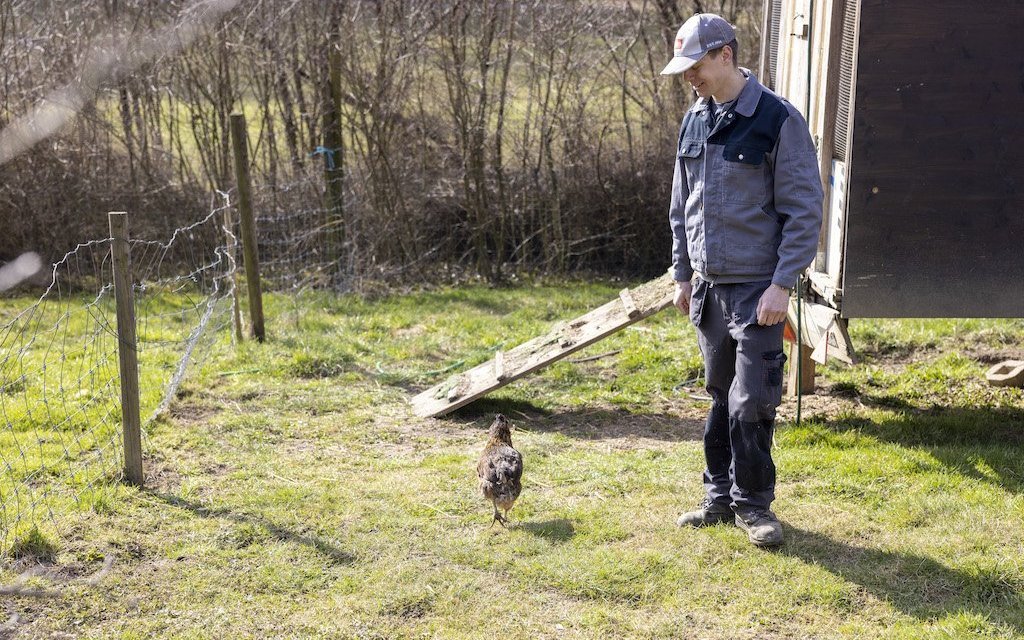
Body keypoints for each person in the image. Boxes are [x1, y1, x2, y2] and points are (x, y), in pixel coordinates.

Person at [661, 14, 823, 547]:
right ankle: (718, 496)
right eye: (683, 69)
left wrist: (782, 283)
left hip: (759, 291)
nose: (690, 78)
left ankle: (754, 506)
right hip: (708, 288)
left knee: (750, 400)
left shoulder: (777, 119)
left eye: (696, 66)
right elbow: (682, 206)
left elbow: (804, 210)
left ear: (725, 54)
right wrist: (683, 273)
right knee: (717, 394)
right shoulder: (694, 120)